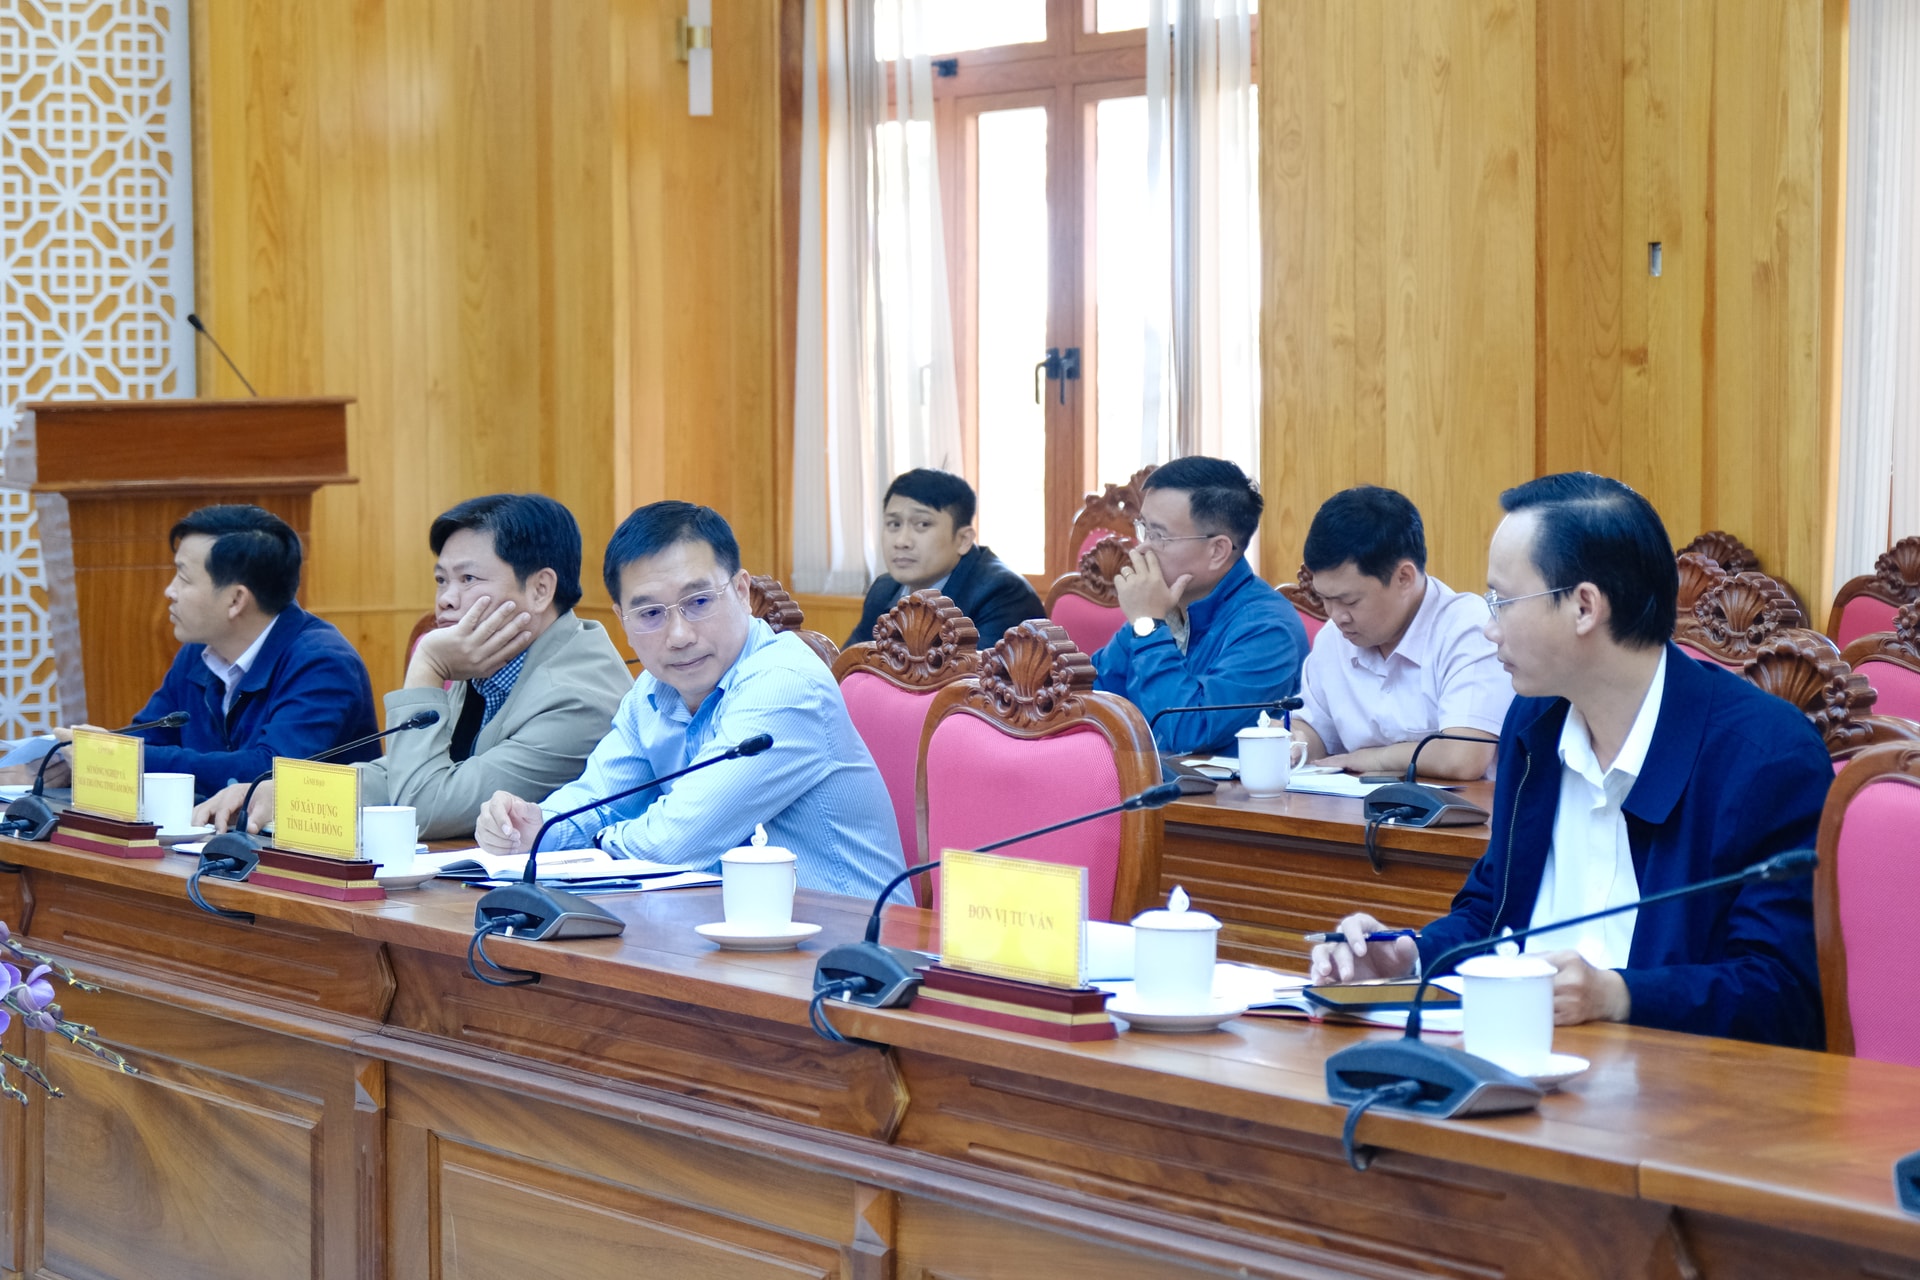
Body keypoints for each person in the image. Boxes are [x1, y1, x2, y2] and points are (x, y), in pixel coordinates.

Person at [1309, 473, 1829, 1049]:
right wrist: (1407, 955)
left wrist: (1617, 995)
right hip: (1514, 1053)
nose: (1488, 628)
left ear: (1584, 606)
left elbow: (1783, 994)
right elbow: (1492, 913)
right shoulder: (1535, 726)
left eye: (1502, 602)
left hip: (1673, 1079)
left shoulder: (1764, 759)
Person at [476, 501, 906, 899]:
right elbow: (598, 799)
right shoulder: (651, 691)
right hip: (724, 928)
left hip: (850, 938)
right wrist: (533, 826)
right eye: (650, 614)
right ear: (622, 620)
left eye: (699, 602)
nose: (679, 636)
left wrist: (590, 842)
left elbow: (673, 844)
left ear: (741, 591)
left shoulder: (786, 685)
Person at [198, 494, 632, 839]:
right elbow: (402, 774)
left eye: (468, 579)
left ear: (540, 590)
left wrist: (428, 663)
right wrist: (287, 794)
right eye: (441, 580)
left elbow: (425, 808)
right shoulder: (495, 657)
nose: (445, 600)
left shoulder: (576, 698)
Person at [39, 505, 380, 799]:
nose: (169, 591)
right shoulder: (201, 651)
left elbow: (270, 772)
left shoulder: (322, 664)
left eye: (184, 579)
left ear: (236, 600)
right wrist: (87, 758)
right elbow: (149, 737)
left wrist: (125, 759)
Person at [1089, 456, 1307, 755]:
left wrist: (1149, 626)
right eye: (1144, 530)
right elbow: (1094, 695)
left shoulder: (1268, 630)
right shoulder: (1165, 604)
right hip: (1146, 779)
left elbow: (1188, 730)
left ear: (1217, 550)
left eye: (1159, 536)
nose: (1142, 548)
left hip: (1220, 786)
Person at [1292, 486, 1511, 779]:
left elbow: (1463, 756)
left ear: (1404, 578)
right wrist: (1295, 744)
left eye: (1349, 601)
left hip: (1460, 808)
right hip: (1352, 806)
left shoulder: (1470, 629)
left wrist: (1374, 759)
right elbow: (1315, 731)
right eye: (1324, 599)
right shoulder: (1333, 639)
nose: (1336, 616)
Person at [846, 468, 1044, 650]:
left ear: (963, 540)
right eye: (894, 524)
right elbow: (846, 665)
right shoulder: (883, 590)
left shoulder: (1001, 593)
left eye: (922, 524)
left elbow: (974, 676)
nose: (901, 541)